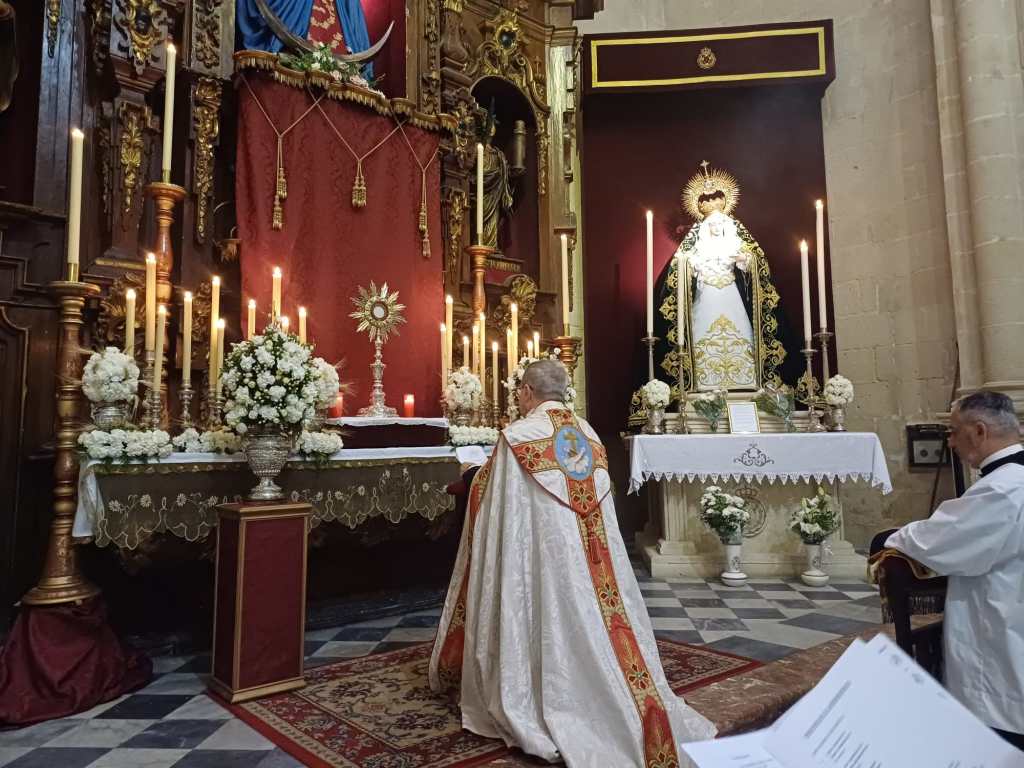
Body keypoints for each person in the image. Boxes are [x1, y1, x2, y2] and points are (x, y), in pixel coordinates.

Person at [430, 359, 715, 766]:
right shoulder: (589, 434)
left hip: (542, 563)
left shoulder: (518, 436)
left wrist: (472, 474)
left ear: (527, 392)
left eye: (519, 393)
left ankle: (540, 690)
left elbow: (496, 503)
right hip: (592, 563)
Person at [885, 390, 1024, 752]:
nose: (950, 441)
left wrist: (890, 539)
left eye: (953, 431)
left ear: (978, 432)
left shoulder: (1001, 489)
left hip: (1005, 649)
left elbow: (939, 541)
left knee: (998, 742)